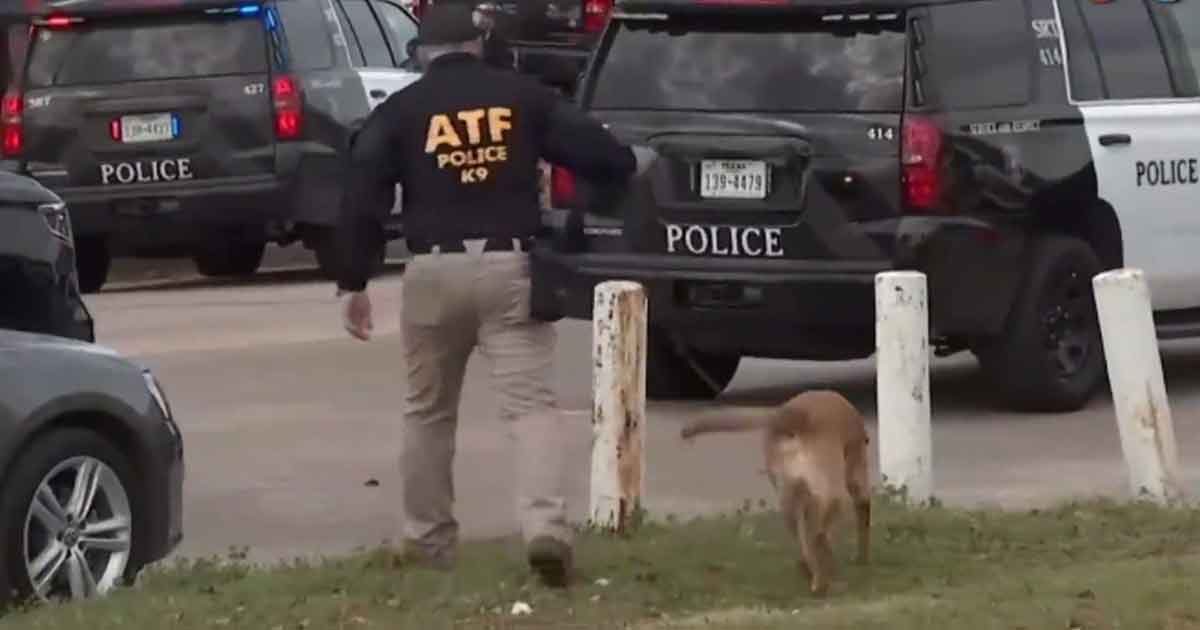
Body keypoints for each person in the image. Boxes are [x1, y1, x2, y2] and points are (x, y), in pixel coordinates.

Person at [333, 2, 639, 588]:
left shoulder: (401, 111)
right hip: (510, 266)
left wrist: (353, 280)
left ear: (422, 52)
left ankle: (428, 540)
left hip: (431, 271)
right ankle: (545, 529)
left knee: (427, 413)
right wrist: (587, 211)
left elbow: (360, 194)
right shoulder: (523, 97)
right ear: (481, 44)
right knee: (529, 409)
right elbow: (609, 157)